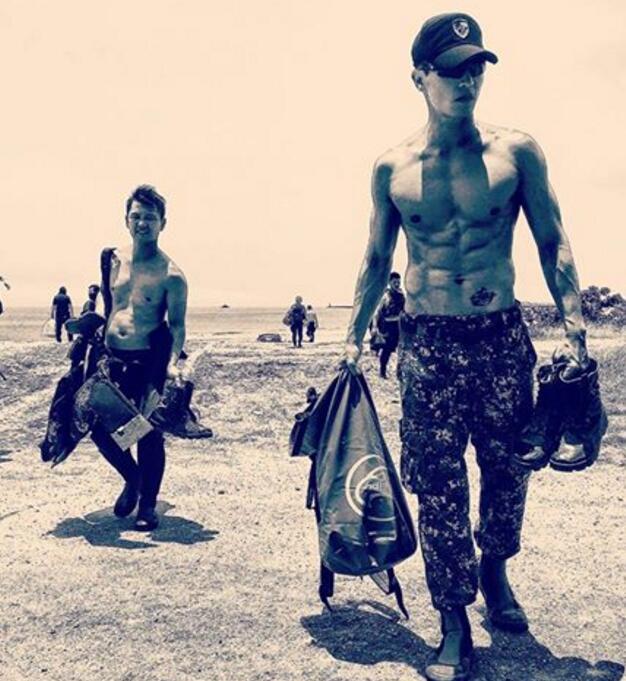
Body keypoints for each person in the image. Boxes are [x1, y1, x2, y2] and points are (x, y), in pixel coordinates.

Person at [343, 13, 588, 681]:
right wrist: (352, 340)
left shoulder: (516, 154)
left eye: (476, 67)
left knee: (508, 470)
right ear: (419, 77)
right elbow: (376, 258)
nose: (467, 80)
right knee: (438, 481)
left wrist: (573, 321)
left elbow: (552, 240)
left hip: (499, 336)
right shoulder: (392, 168)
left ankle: (496, 569)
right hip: (428, 345)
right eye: (452, 70)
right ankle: (453, 619)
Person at [92, 184, 188, 531]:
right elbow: (109, 305)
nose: (142, 223)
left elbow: (177, 326)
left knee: (147, 433)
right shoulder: (113, 261)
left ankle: (147, 506)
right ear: (126, 220)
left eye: (150, 217)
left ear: (163, 223)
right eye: (136, 216)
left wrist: (172, 363)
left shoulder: (172, 276)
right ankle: (132, 478)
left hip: (148, 361)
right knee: (99, 429)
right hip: (111, 359)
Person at [373, 272, 405, 378]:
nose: (397, 284)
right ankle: (382, 371)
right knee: (386, 350)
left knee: (401, 350)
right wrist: (374, 327)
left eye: (398, 282)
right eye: (394, 282)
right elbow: (377, 313)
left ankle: (400, 373)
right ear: (389, 283)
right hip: (387, 328)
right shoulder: (385, 297)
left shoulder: (401, 296)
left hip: (398, 327)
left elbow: (405, 311)